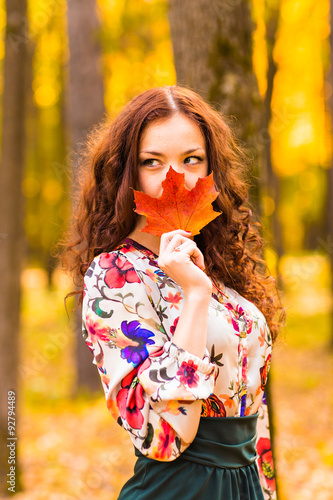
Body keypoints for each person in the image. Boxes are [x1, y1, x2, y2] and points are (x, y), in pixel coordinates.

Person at [62, 85, 284, 500]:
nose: (174, 178)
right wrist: (195, 297)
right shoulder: (116, 276)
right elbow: (168, 435)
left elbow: (256, 410)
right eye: (152, 161)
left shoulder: (219, 268)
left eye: (191, 159)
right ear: (128, 172)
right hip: (179, 488)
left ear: (210, 167)